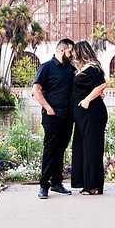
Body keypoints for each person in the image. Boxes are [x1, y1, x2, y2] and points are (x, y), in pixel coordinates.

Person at [32, 38, 75, 199]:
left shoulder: (70, 69)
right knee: (50, 150)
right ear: (61, 50)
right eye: (70, 52)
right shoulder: (46, 67)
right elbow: (36, 90)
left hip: (67, 116)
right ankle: (44, 186)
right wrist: (48, 108)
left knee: (61, 150)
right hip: (52, 116)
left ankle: (57, 183)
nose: (71, 55)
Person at [70, 41, 107, 196]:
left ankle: (92, 186)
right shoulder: (82, 69)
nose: (72, 54)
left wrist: (87, 100)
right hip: (82, 117)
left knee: (92, 148)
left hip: (92, 114)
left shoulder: (93, 68)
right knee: (82, 148)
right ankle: (87, 183)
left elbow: (102, 85)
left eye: (74, 52)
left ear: (81, 52)